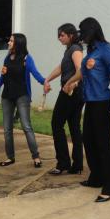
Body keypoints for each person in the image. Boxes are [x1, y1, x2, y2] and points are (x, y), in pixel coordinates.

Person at [63, 17, 110, 203]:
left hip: (102, 103)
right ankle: (97, 177)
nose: (81, 36)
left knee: (104, 144)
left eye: (82, 32)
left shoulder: (106, 49)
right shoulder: (91, 51)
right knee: (88, 140)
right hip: (90, 102)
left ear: (91, 31)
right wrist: (71, 81)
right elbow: (82, 71)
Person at [0, 33, 47, 168]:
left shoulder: (27, 59)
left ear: (18, 43)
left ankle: (36, 157)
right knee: (7, 129)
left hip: (22, 95)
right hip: (7, 96)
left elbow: (35, 73)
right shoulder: (7, 58)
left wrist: (44, 82)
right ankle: (10, 157)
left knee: (26, 126)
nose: (8, 43)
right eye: (9, 40)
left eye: (11, 41)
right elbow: (3, 77)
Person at [44, 23, 85, 175]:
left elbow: (81, 69)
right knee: (74, 126)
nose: (59, 38)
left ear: (70, 35)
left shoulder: (75, 50)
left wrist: (73, 84)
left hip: (71, 92)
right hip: (75, 92)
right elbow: (61, 68)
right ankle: (77, 165)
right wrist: (47, 79)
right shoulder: (70, 49)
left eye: (62, 35)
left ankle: (63, 163)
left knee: (56, 124)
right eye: (58, 35)